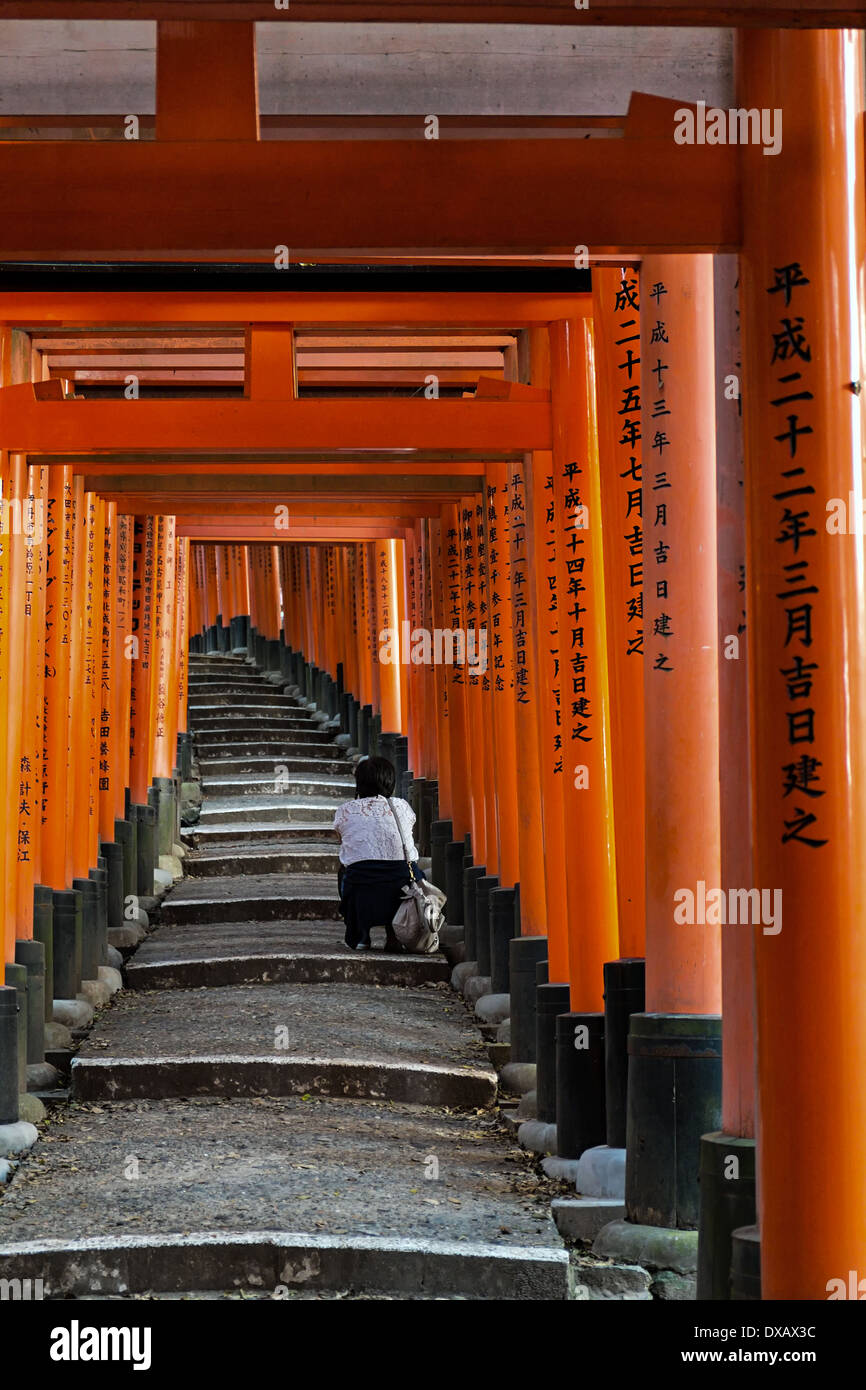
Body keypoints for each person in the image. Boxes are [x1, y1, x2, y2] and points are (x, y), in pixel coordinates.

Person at [332, 754, 425, 952]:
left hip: (363, 885)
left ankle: (362, 934)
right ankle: (394, 934)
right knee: (410, 871)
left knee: (345, 871)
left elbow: (344, 842)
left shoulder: (345, 810)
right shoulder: (402, 806)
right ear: (390, 782)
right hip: (402, 885)